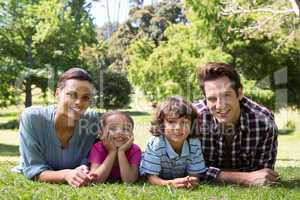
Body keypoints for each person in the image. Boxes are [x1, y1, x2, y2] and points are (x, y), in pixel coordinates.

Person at [194, 62, 278, 186]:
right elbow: (184, 169)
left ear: (239, 93)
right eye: (212, 98)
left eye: (226, 95)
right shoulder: (192, 120)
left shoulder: (263, 123)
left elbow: (263, 176)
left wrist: (212, 174)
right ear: (205, 99)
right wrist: (244, 178)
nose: (220, 105)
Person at [12, 68, 100, 187]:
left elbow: (95, 155)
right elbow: (33, 169)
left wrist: (85, 167)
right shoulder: (32, 118)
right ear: (58, 94)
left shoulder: (92, 120)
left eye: (85, 97)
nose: (79, 102)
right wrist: (65, 174)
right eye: (72, 95)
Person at [140, 96, 207, 188]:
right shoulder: (156, 143)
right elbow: (151, 178)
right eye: (171, 122)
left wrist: (191, 181)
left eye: (184, 122)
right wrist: (171, 183)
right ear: (161, 124)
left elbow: (195, 174)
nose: (178, 127)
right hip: (155, 174)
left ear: (192, 124)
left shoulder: (194, 143)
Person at [88, 111, 141, 183]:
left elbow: (129, 181)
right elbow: (95, 180)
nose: (120, 132)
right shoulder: (98, 148)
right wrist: (112, 151)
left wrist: (121, 152)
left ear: (132, 134)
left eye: (126, 129)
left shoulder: (135, 150)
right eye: (113, 129)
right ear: (101, 135)